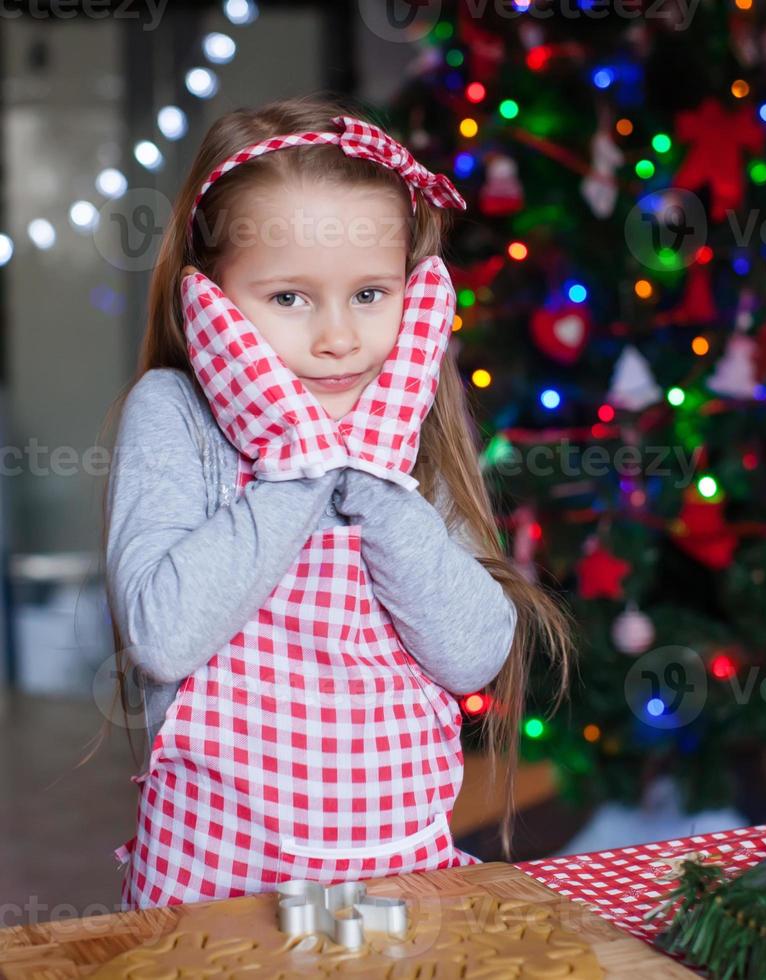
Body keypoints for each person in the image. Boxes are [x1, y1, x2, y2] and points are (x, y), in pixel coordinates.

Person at [98, 94, 576, 910]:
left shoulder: (409, 428)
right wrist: (298, 465)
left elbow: (471, 653)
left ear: (415, 295)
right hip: (211, 894)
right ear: (210, 301)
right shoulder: (173, 412)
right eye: (289, 298)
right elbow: (163, 634)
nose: (338, 339)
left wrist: (382, 484)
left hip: (397, 886)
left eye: (369, 294)